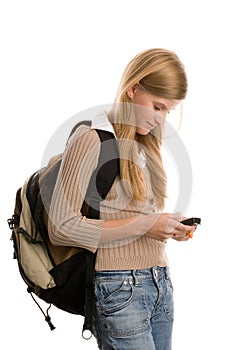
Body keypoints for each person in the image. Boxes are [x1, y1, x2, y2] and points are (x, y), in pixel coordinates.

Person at [48, 48, 197, 350]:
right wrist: (145, 225)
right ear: (133, 88)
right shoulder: (92, 139)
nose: (162, 119)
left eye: (168, 111)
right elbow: (61, 226)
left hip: (159, 283)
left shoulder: (147, 146)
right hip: (119, 289)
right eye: (158, 106)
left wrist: (167, 227)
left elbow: (131, 217)